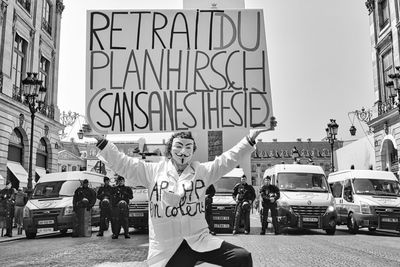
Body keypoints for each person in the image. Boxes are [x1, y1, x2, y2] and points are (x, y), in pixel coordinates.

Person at [91, 118, 276, 267]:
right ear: (170, 150)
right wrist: (101, 141)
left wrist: (251, 137)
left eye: (188, 147)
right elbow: (123, 163)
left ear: (193, 152)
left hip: (199, 239)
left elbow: (227, 159)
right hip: (168, 247)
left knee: (242, 258)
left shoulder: (202, 171)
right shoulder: (152, 171)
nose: (183, 151)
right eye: (178, 146)